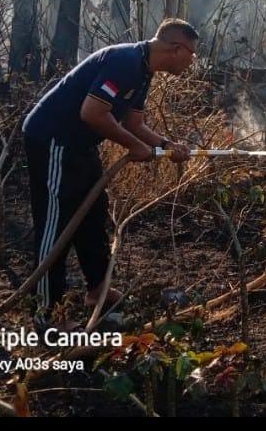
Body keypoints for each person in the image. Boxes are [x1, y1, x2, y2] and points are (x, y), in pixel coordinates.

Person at [22, 18, 196, 328]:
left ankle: (97, 290)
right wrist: (134, 146)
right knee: (56, 224)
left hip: (81, 146)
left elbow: (134, 123)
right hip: (53, 141)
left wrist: (167, 146)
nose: (192, 61)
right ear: (175, 49)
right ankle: (46, 312)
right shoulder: (125, 62)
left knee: (93, 214)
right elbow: (91, 112)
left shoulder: (144, 71)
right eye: (191, 54)